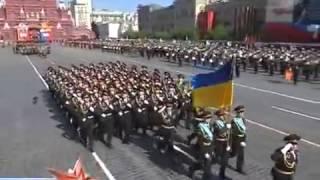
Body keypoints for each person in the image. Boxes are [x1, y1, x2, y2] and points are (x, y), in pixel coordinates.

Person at [188, 108, 214, 179]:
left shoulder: (211, 125)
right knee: (204, 162)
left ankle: (194, 169)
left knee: (206, 163)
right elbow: (200, 140)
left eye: (210, 117)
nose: (209, 119)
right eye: (207, 118)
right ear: (204, 118)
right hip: (202, 147)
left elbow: (212, 138)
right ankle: (195, 171)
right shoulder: (200, 126)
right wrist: (205, 152)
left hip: (209, 147)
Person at [212, 109, 231, 179]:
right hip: (218, 143)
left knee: (224, 160)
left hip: (225, 143)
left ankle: (222, 173)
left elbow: (229, 134)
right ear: (218, 116)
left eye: (224, 115)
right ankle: (199, 166)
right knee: (215, 160)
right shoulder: (216, 123)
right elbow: (220, 132)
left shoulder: (225, 122)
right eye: (221, 115)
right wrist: (226, 127)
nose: (223, 116)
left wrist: (229, 144)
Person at [230, 105, 247, 174]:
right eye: (241, 112)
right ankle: (223, 156)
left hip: (241, 139)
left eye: (243, 112)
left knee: (240, 155)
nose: (242, 113)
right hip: (236, 139)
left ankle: (239, 168)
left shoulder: (243, 119)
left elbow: (244, 131)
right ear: (237, 113)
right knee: (233, 153)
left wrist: (244, 140)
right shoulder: (234, 121)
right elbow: (234, 132)